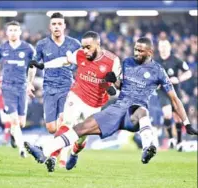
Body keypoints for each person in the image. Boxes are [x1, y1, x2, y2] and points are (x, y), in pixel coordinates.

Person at [24, 37, 197, 166]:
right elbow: (120, 86)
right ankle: (44, 151)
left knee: (141, 110)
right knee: (81, 128)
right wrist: (114, 80)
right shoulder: (128, 62)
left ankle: (148, 146)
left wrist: (186, 122)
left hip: (134, 114)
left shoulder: (158, 71)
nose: (136, 53)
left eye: (140, 51)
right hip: (117, 109)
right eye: (135, 49)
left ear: (150, 52)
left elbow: (174, 99)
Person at [43, 31, 121, 172]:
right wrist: (44, 65)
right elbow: (64, 60)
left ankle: (74, 153)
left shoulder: (112, 61)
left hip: (95, 105)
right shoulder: (80, 54)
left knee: (81, 139)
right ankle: (53, 157)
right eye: (83, 47)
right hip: (76, 95)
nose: (84, 50)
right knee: (67, 123)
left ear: (98, 44)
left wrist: (114, 82)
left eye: (88, 47)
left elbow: (120, 86)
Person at [33, 12, 81, 167]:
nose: (57, 27)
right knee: (51, 128)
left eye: (60, 24)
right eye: (54, 24)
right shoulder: (42, 44)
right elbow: (34, 64)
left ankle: (58, 157)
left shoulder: (74, 44)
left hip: (67, 88)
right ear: (50, 26)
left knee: (64, 121)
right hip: (49, 88)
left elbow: (81, 64)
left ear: (64, 26)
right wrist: (29, 83)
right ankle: (65, 148)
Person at [0, 21, 36, 157]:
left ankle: (14, 136)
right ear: (7, 33)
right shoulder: (2, 48)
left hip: (22, 87)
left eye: (15, 30)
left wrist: (30, 82)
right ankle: (22, 149)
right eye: (11, 30)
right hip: (7, 87)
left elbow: (33, 66)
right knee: (14, 120)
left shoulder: (28, 49)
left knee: (21, 123)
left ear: (20, 32)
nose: (13, 32)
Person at [156, 40, 192, 151]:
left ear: (169, 47)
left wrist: (179, 79)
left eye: (165, 46)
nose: (163, 48)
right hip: (162, 91)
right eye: (161, 46)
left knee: (177, 118)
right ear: (158, 48)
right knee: (167, 114)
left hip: (175, 91)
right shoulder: (155, 62)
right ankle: (171, 138)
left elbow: (189, 72)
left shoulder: (175, 60)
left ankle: (179, 141)